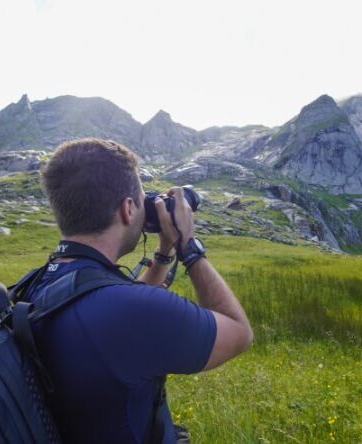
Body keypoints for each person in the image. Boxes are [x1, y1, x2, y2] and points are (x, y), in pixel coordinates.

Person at [24, 138, 254, 443]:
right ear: (128, 208)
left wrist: (164, 254)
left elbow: (116, 306)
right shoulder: (133, 311)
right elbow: (239, 332)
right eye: (142, 199)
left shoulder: (37, 284)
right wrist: (189, 246)